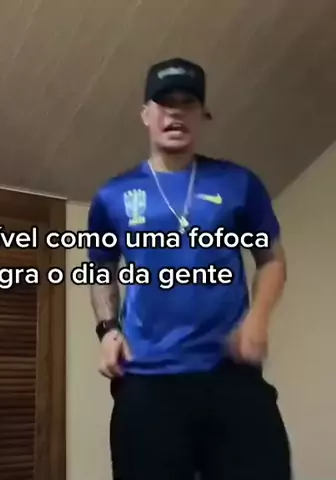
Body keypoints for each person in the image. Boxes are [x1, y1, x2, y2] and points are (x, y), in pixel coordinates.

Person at [87, 57, 291, 480]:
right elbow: (101, 266)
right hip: (147, 380)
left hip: (230, 375)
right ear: (146, 114)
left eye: (188, 103)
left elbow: (271, 260)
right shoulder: (113, 196)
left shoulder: (238, 183)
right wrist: (108, 330)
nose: (176, 113)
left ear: (203, 115)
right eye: (165, 103)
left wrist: (257, 319)